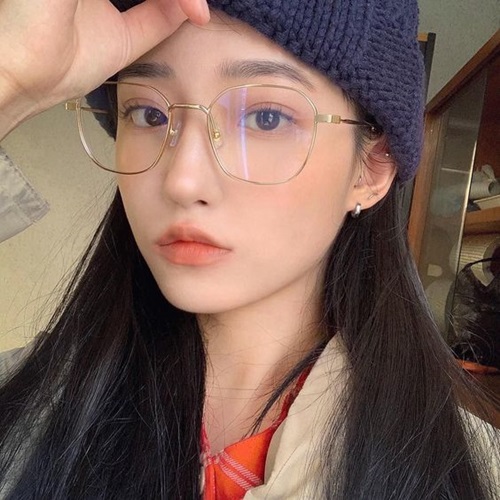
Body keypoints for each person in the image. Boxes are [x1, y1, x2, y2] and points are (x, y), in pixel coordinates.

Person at [0, 0, 498, 498]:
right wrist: (10, 83)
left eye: (266, 118)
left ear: (372, 168)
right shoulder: (31, 403)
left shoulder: (468, 472)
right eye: (148, 113)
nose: (182, 180)